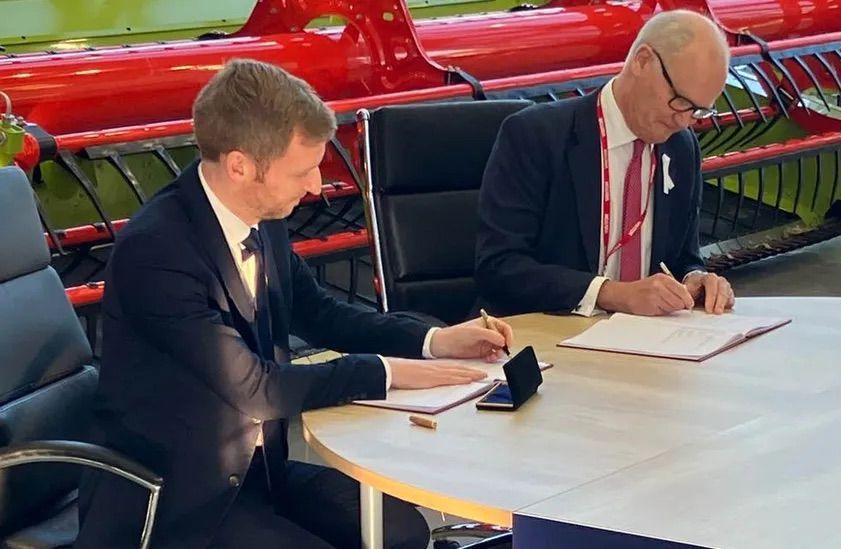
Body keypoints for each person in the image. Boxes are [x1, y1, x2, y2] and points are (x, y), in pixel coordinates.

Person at [75, 59, 514, 549]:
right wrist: (389, 372)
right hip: (179, 497)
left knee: (403, 533)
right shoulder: (156, 251)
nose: (316, 187)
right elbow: (257, 389)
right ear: (240, 165)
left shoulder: (263, 215)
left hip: (260, 474)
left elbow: (321, 314)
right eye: (303, 171)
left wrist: (433, 341)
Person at [476, 10, 736, 318]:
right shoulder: (536, 136)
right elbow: (499, 267)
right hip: (548, 334)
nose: (682, 121)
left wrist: (696, 279)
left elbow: (683, 259)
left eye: (697, 111)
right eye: (679, 101)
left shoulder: (681, 147)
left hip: (643, 341)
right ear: (642, 61)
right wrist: (612, 293)